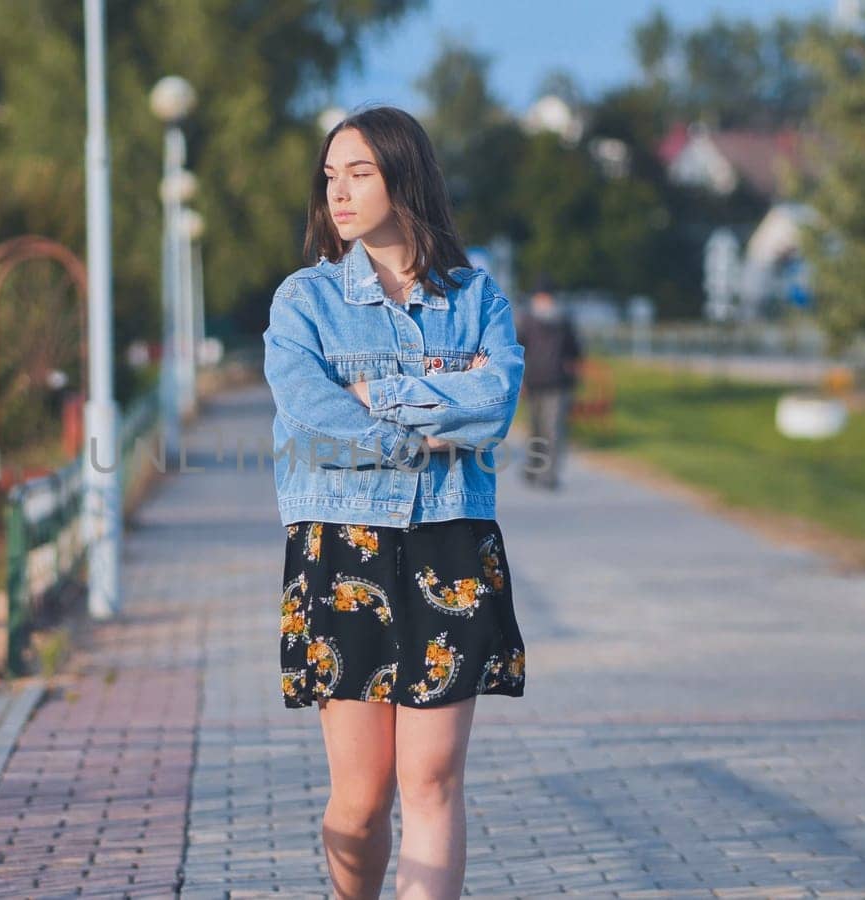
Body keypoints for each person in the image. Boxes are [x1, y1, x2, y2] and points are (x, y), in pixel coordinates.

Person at [262, 106, 527, 900]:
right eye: (331, 175)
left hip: (452, 540)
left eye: (360, 173)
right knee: (362, 793)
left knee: (434, 779)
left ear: (404, 178)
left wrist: (382, 396)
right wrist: (434, 419)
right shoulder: (303, 301)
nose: (338, 191)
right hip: (344, 545)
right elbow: (312, 417)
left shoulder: (477, 297)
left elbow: (496, 405)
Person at [515, 287, 584, 490]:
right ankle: (534, 467)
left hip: (558, 384)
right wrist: (520, 381)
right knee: (536, 430)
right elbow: (518, 351)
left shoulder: (564, 321)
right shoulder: (527, 321)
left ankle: (550, 474)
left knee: (553, 430)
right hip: (533, 383)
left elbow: (575, 351)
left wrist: (571, 372)